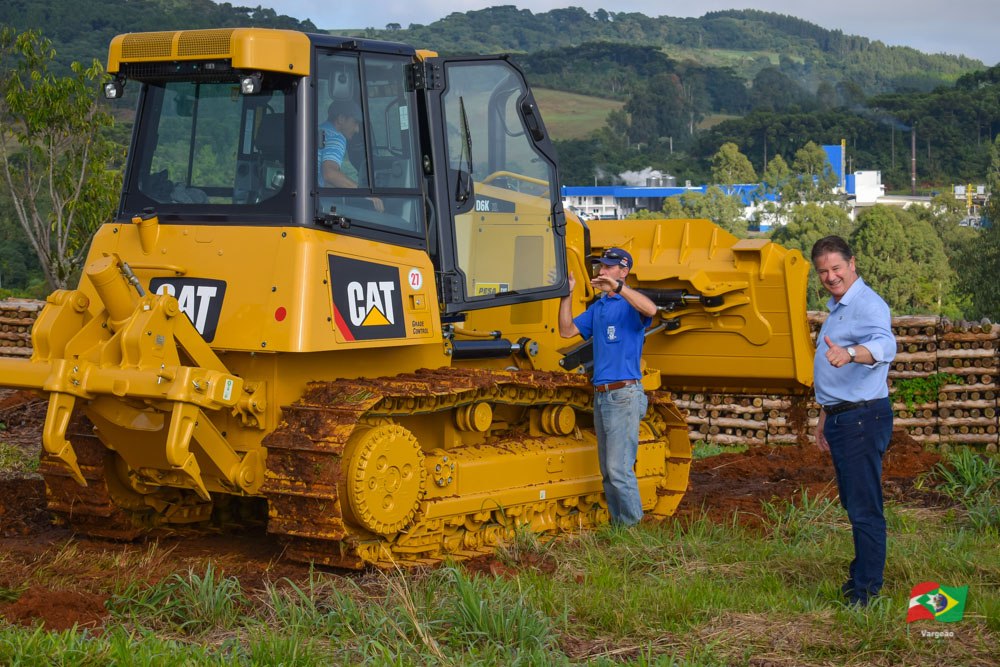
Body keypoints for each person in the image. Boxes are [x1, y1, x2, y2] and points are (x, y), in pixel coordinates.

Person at [811, 235, 896, 607]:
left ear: (853, 264)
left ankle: (866, 593)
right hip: (844, 418)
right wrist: (823, 417)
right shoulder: (839, 306)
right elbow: (834, 375)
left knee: (864, 507)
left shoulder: (867, 304)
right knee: (854, 502)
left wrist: (850, 353)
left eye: (836, 268)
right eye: (823, 271)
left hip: (862, 419)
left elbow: (885, 346)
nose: (830, 276)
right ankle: (860, 577)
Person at [559, 247, 658, 526]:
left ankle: (634, 529)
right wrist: (566, 295)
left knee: (618, 469)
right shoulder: (599, 307)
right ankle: (620, 527)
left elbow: (651, 309)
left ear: (623, 272)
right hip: (602, 396)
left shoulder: (630, 304)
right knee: (608, 471)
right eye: (600, 266)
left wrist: (619, 287)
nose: (601, 271)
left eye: (608, 267)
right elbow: (567, 330)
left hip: (624, 394)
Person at [317, 100, 383, 212]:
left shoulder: (319, 130)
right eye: (355, 122)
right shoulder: (336, 137)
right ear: (341, 119)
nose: (357, 129)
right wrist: (364, 194)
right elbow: (329, 174)